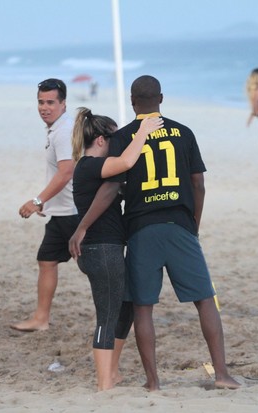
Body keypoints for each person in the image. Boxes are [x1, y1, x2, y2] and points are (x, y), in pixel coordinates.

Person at [69, 75, 241, 391]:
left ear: (133, 101)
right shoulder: (184, 133)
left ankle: (153, 381)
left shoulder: (122, 138)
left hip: (140, 230)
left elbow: (110, 188)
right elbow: (198, 184)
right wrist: (194, 226)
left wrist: (82, 226)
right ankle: (222, 374)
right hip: (179, 226)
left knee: (143, 307)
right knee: (205, 300)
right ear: (161, 98)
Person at [70, 107, 163, 390]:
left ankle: (111, 372)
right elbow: (125, 161)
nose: (117, 144)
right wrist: (143, 132)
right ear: (100, 140)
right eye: (114, 138)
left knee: (126, 309)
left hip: (106, 247)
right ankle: (103, 383)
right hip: (101, 250)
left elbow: (115, 185)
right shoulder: (88, 165)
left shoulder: (94, 171)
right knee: (107, 316)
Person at [12, 78, 79, 332]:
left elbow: (66, 172)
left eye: (51, 102)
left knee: (94, 270)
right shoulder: (56, 129)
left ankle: (117, 317)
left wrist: (38, 201)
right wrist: (47, 205)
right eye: (41, 102)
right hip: (60, 213)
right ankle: (41, 319)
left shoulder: (64, 132)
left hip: (74, 213)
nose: (44, 107)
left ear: (63, 104)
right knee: (47, 260)